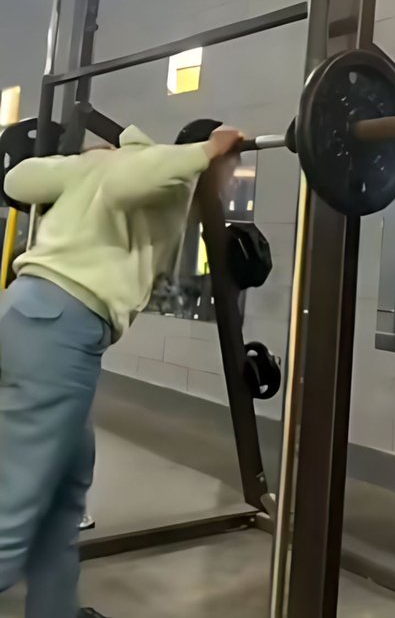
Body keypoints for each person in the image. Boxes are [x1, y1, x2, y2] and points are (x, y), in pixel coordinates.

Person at [0, 122, 242, 618]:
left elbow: (17, 180)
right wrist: (205, 149)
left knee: (65, 491)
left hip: (34, 316)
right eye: (233, 171)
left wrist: (87, 162)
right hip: (59, 326)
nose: (233, 184)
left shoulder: (106, 165)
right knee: (18, 502)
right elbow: (138, 176)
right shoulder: (162, 173)